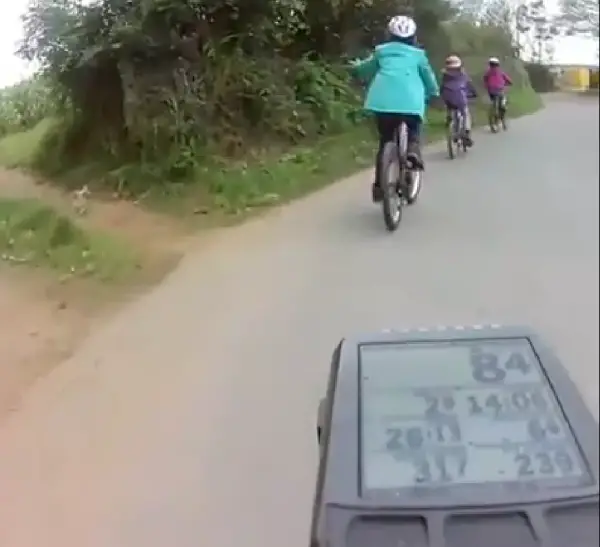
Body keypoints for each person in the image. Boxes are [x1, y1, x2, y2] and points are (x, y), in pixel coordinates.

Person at [350, 15, 439, 203]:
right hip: (411, 102)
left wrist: (355, 68)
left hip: (383, 102)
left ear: (389, 34)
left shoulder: (381, 51)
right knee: (414, 127)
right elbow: (428, 77)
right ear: (413, 36)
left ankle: (379, 186)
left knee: (385, 142)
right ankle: (413, 149)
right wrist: (434, 92)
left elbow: (364, 69)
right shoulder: (418, 55)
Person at [441, 55, 477, 147]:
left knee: (451, 108)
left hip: (448, 99)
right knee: (465, 113)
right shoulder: (463, 75)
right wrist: (474, 94)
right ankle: (466, 131)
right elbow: (469, 86)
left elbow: (442, 88)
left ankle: (449, 119)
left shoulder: (445, 76)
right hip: (460, 99)